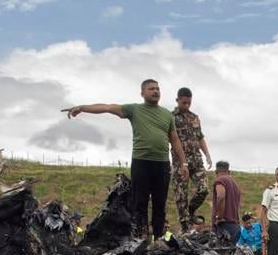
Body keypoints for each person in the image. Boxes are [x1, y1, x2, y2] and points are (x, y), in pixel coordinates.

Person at [65, 79, 187, 239]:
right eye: (151, 89)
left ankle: (158, 238)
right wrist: (82, 108)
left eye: (158, 88)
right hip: (141, 162)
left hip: (162, 164)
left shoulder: (166, 114)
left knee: (160, 204)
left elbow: (175, 139)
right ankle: (139, 237)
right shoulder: (134, 109)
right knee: (140, 203)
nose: (156, 91)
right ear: (142, 93)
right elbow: (107, 107)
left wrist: (183, 162)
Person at [170, 87, 212, 232]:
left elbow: (200, 137)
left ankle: (190, 211)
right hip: (180, 162)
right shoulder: (171, 117)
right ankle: (185, 228)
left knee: (204, 189)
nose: (187, 106)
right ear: (177, 100)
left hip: (197, 160)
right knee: (181, 196)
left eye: (189, 103)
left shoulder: (194, 117)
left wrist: (207, 154)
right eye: (184, 103)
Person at [210, 160, 241, 244]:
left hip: (224, 226)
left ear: (216, 171)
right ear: (229, 171)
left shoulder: (220, 180)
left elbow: (220, 196)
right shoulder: (235, 184)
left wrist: (219, 217)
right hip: (235, 226)